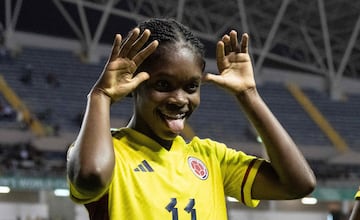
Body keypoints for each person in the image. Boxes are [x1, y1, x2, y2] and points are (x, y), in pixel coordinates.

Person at [66, 18, 316, 219]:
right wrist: (100, 95)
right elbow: (91, 176)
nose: (179, 99)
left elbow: (299, 185)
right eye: (163, 84)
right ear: (134, 84)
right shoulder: (107, 152)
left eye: (191, 87)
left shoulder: (211, 158)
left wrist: (248, 95)